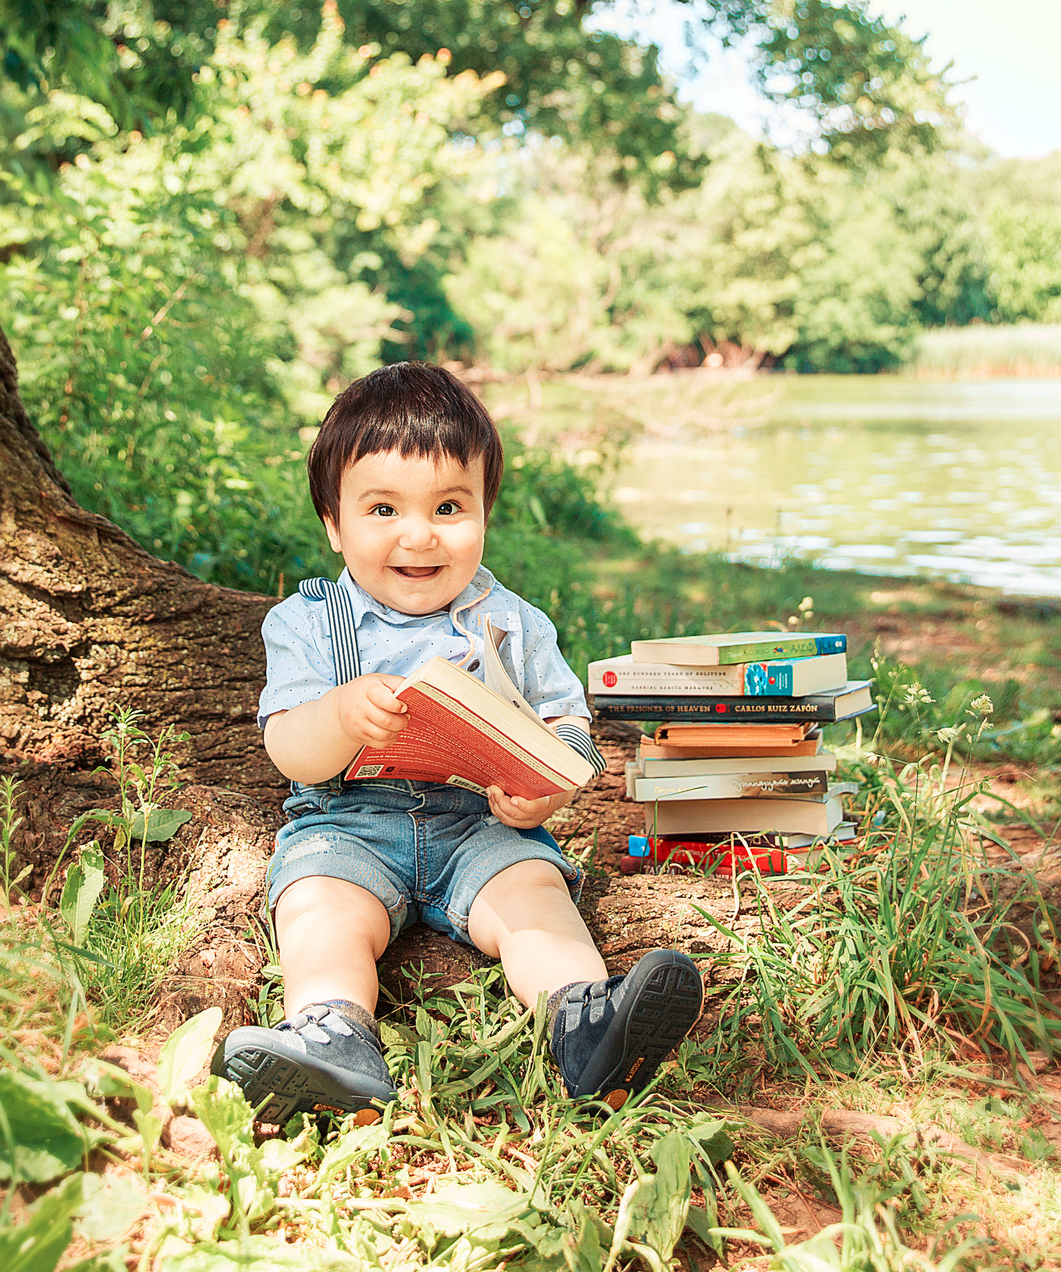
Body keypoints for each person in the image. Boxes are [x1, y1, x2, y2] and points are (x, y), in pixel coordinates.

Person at [212, 363, 702, 1121]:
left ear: (484, 511)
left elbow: (570, 727)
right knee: (320, 907)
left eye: (448, 505)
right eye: (382, 508)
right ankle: (333, 1035)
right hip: (350, 826)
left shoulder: (513, 621)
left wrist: (547, 783)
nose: (419, 534)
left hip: (482, 824)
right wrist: (341, 716)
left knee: (535, 897)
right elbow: (289, 748)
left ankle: (585, 1021)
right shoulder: (307, 622)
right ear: (334, 525)